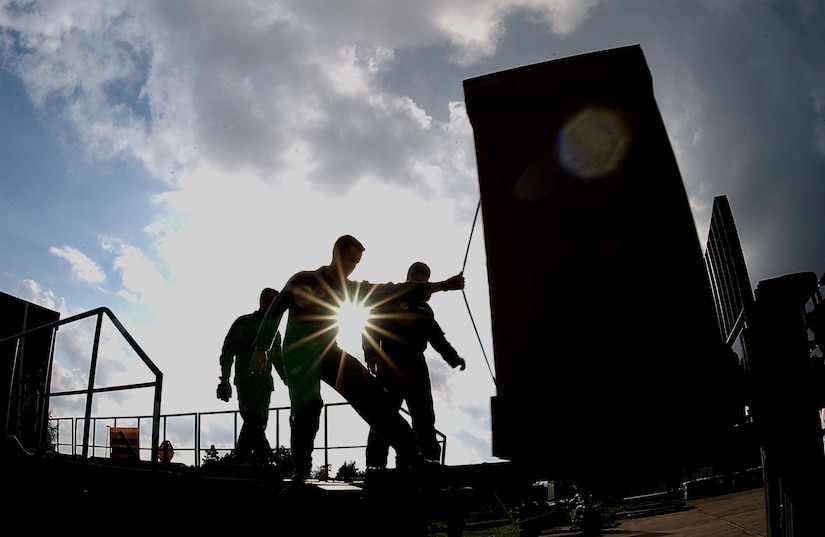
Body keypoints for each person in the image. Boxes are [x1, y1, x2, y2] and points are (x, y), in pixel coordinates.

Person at [251, 234, 465, 480]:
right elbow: (275, 310)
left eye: (356, 263)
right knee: (308, 408)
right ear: (336, 254)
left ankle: (413, 457)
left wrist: (442, 286)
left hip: (328, 351)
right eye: (349, 260)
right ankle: (301, 469)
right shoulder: (304, 279)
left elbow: (392, 290)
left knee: (373, 394)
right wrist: (261, 347)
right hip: (299, 356)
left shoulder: (350, 289)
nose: (351, 267)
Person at [362, 261, 466, 470]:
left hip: (416, 364)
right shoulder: (389, 298)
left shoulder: (424, 309)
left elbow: (436, 336)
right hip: (390, 363)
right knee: (383, 417)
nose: (418, 286)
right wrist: (372, 354)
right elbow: (370, 327)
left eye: (422, 283)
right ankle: (375, 466)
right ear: (408, 277)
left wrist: (452, 357)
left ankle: (429, 462)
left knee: (424, 418)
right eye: (415, 282)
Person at [217, 287, 284, 464]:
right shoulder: (244, 323)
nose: (273, 306)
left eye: (276, 302)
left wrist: (290, 381)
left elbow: (278, 360)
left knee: (257, 425)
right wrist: (224, 380)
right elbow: (227, 352)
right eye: (270, 301)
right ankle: (270, 459)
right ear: (262, 301)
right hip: (246, 382)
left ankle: (241, 460)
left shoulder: (274, 333)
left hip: (265, 386)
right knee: (254, 420)